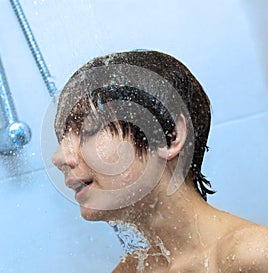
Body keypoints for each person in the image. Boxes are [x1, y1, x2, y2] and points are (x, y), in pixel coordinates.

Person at [52, 50, 268, 272]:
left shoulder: (254, 255)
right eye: (62, 139)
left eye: (88, 129)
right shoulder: (131, 269)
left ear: (170, 137)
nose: (59, 157)